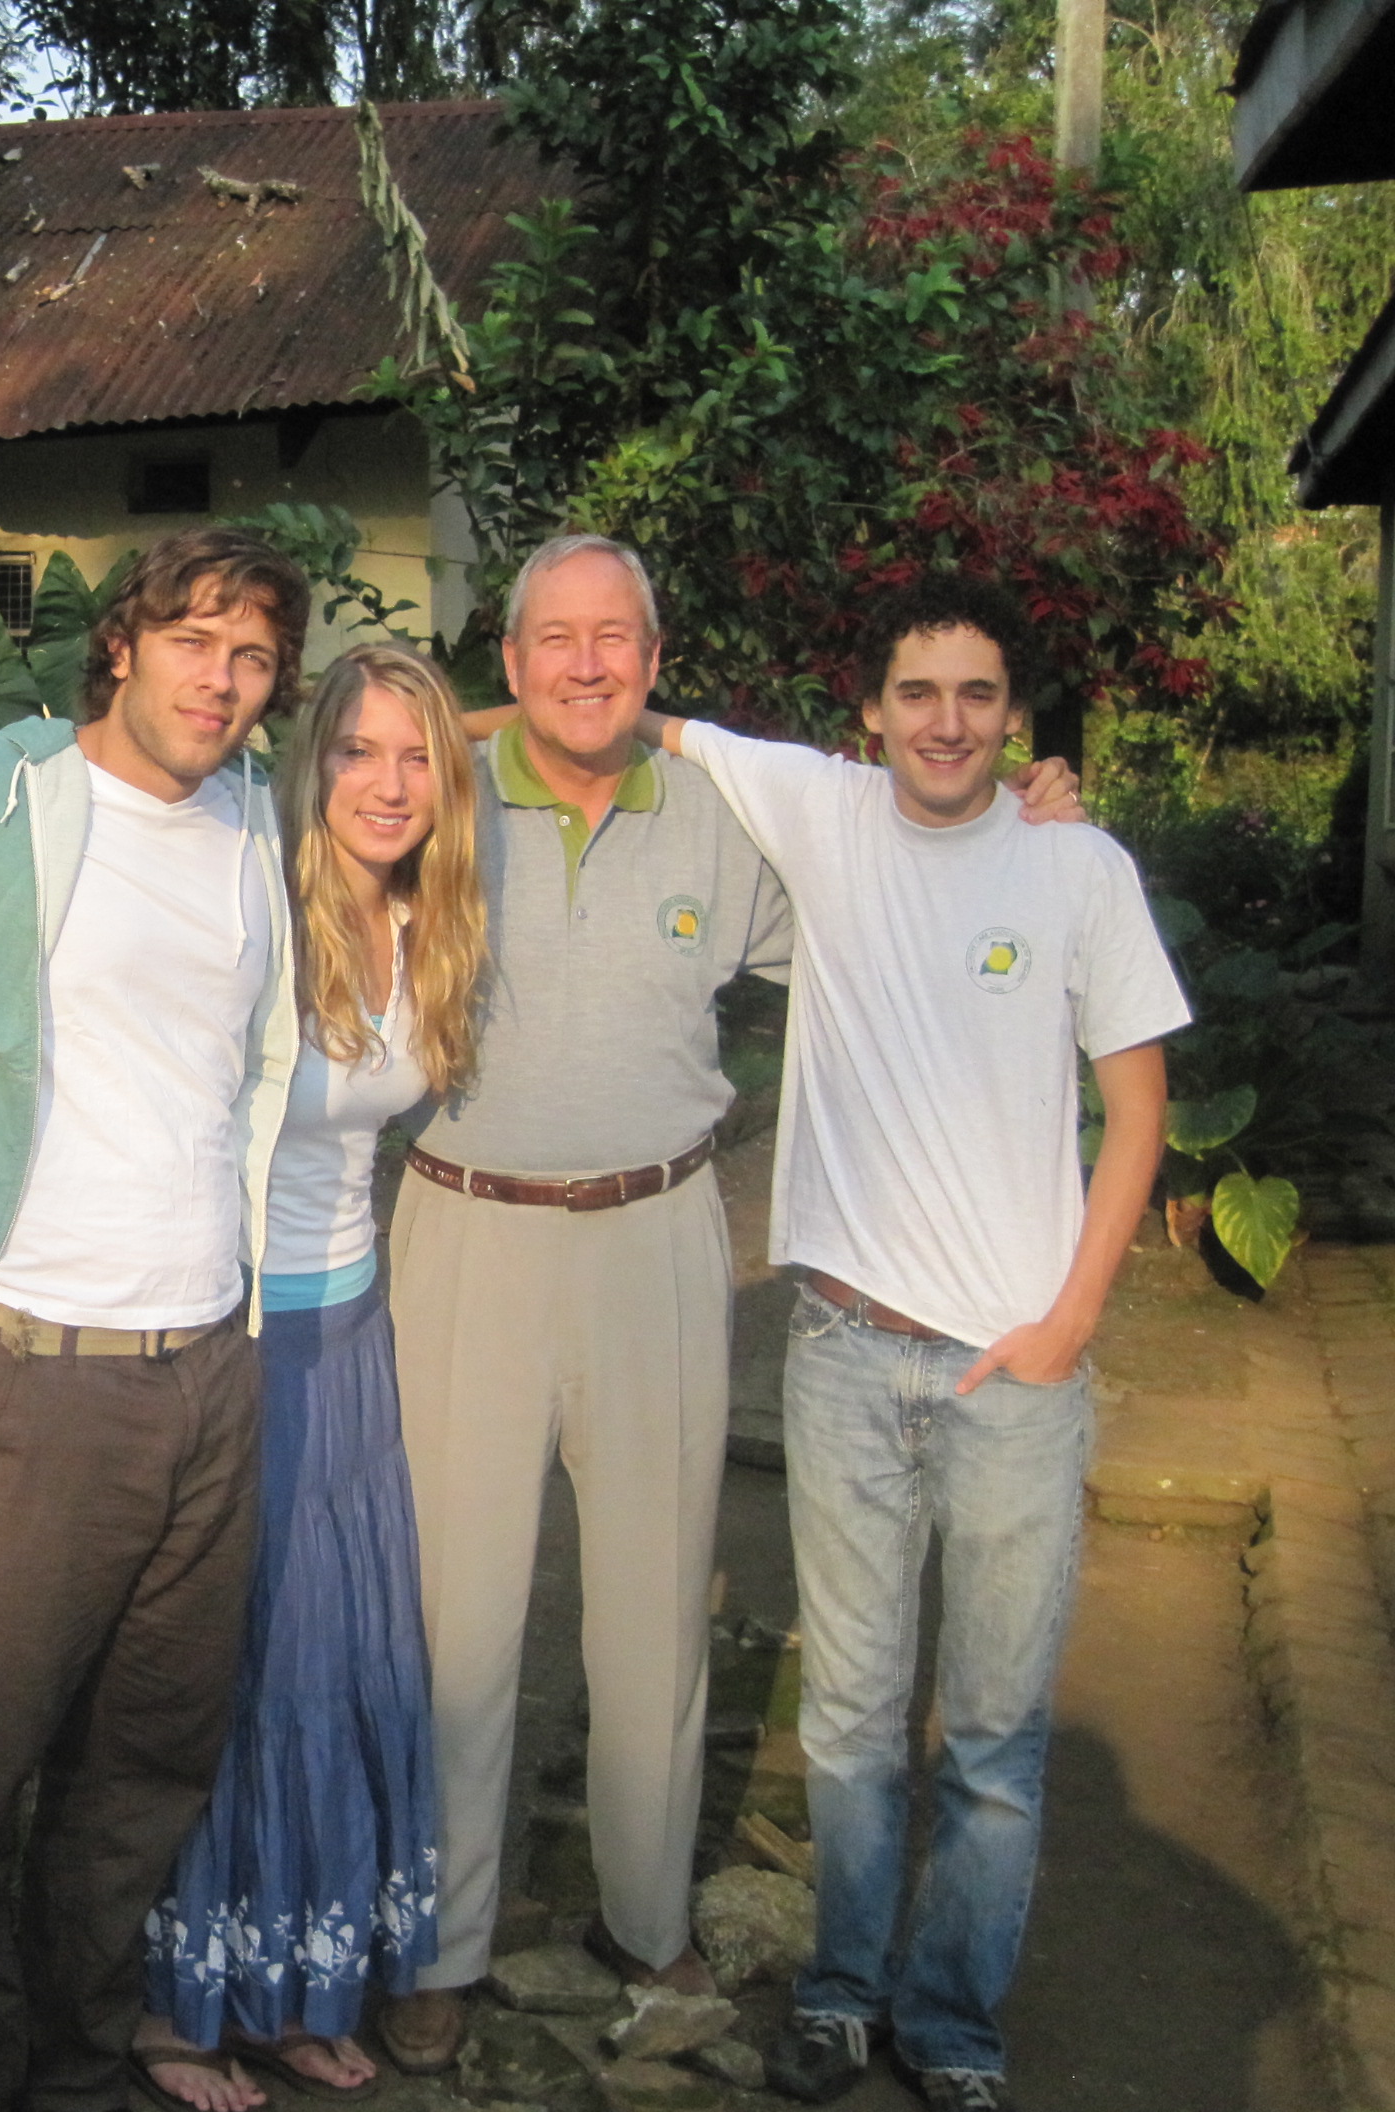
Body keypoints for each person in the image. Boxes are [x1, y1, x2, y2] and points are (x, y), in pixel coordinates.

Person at [379, 536, 1085, 2078]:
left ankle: (645, 1919)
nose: (585, 666)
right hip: (466, 1232)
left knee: (657, 1605)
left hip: (661, 1233)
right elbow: (327, 762)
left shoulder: (727, 818)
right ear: (508, 668)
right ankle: (439, 1940)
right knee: (459, 1618)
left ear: (654, 652)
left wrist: (1032, 821)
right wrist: (451, 739)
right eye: (554, 641)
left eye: (614, 638)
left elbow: (908, 870)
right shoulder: (429, 801)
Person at [639, 577, 1181, 2112]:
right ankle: (841, 1993)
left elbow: (1137, 1111)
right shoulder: (820, 811)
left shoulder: (1079, 870)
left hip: (1013, 1379)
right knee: (857, 1722)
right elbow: (610, 707)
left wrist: (1071, 1322)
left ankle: (952, 2024)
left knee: (997, 1742)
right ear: (869, 714)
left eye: (979, 696)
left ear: (1015, 721)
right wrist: (373, 723)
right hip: (844, 1354)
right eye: (919, 694)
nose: (948, 722)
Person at [0, 526, 307, 2112]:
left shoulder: (259, 821)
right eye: (195, 640)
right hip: (31, 1370)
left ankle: (80, 2065)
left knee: (147, 1760)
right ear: (120, 643)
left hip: (210, 1367)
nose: (222, 679)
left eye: (252, 656)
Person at [136, 644, 489, 2111]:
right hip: (233, 1330)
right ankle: (171, 2008)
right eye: (357, 752)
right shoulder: (250, 904)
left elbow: (577, 733)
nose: (389, 784)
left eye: (418, 756)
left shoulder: (434, 920)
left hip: (353, 1338)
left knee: (333, 1666)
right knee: (228, 1669)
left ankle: (293, 1989)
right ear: (308, 766)